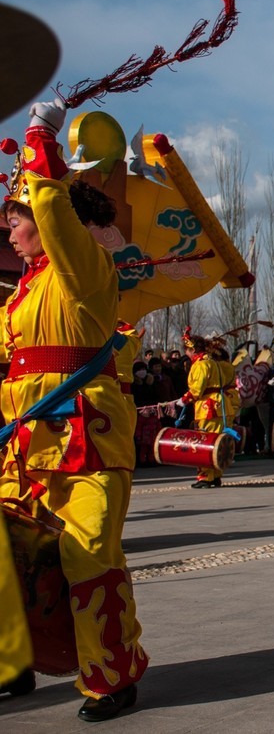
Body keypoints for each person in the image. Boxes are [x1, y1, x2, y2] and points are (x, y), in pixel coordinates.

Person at [0, 99, 147, 719]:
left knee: (87, 555)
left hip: (85, 432)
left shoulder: (82, 269)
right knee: (10, 553)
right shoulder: (20, 295)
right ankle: (15, 658)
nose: (8, 230)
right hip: (25, 443)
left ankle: (111, 675)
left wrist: (41, 137)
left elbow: (55, 208)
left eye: (16, 218)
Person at [178, 329, 234, 488]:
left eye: (187, 350)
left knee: (205, 441)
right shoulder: (214, 362)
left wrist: (184, 399)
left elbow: (197, 389)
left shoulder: (201, 364)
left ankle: (205, 477)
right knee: (217, 441)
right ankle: (216, 475)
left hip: (208, 407)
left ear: (193, 349)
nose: (187, 354)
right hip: (219, 405)